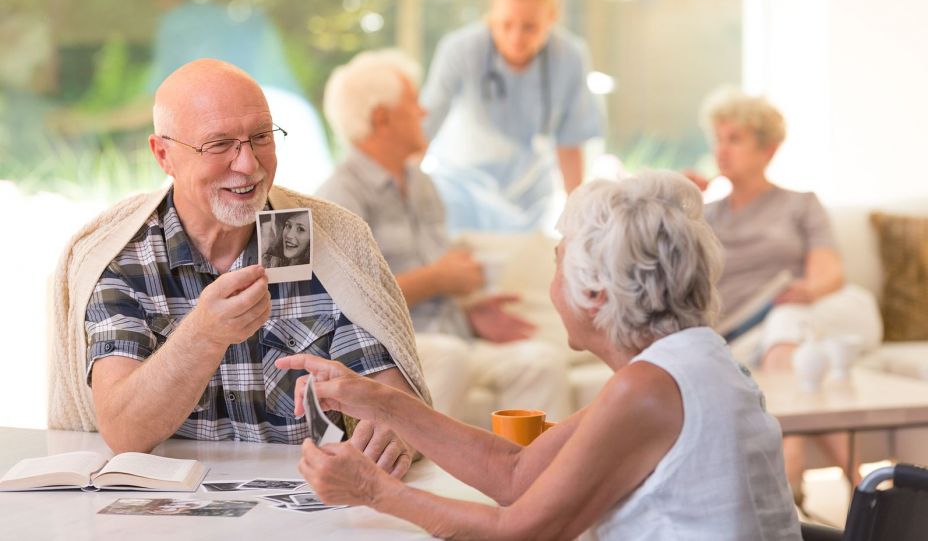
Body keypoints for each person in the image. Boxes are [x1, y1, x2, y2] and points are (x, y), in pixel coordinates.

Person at [278, 171, 801, 540]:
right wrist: (376, 399)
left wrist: (372, 490)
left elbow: (521, 532)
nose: (549, 286)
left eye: (556, 265)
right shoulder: (685, 362)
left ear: (594, 294)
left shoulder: (649, 389)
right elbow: (516, 472)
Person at [48, 59, 430, 481]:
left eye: (261, 137)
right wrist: (203, 335)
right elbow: (124, 432)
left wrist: (393, 430)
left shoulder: (323, 241)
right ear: (163, 155)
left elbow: (397, 401)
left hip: (309, 506)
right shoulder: (123, 256)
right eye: (219, 144)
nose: (248, 165)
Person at [316, 49, 571, 422]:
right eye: (413, 103)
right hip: (393, 352)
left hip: (453, 338)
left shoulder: (422, 184)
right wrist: (437, 279)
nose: (423, 112)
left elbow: (441, 278)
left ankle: (539, 478)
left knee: (540, 361)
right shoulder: (339, 195)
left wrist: (469, 312)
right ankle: (423, 478)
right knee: (450, 356)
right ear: (381, 118)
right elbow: (347, 305)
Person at [686, 87, 883, 502]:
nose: (722, 150)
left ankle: (790, 469)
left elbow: (829, 272)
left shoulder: (799, 204)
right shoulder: (705, 215)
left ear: (768, 150)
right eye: (718, 139)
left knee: (786, 323)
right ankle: (864, 486)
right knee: (800, 353)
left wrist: (807, 289)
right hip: (743, 334)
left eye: (735, 139)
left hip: (808, 312)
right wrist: (682, 205)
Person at [50, 0, 332, 194]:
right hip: (295, 124)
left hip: (247, 128)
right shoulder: (242, 15)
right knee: (295, 237)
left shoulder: (179, 23)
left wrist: (83, 123)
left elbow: (156, 105)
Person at [420, 0, 605, 232]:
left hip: (529, 198)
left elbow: (569, 143)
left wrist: (578, 222)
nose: (516, 36)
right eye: (505, 24)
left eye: (529, 27)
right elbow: (423, 129)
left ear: (551, 17)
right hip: (460, 190)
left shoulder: (570, 57)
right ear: (492, 14)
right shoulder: (460, 50)